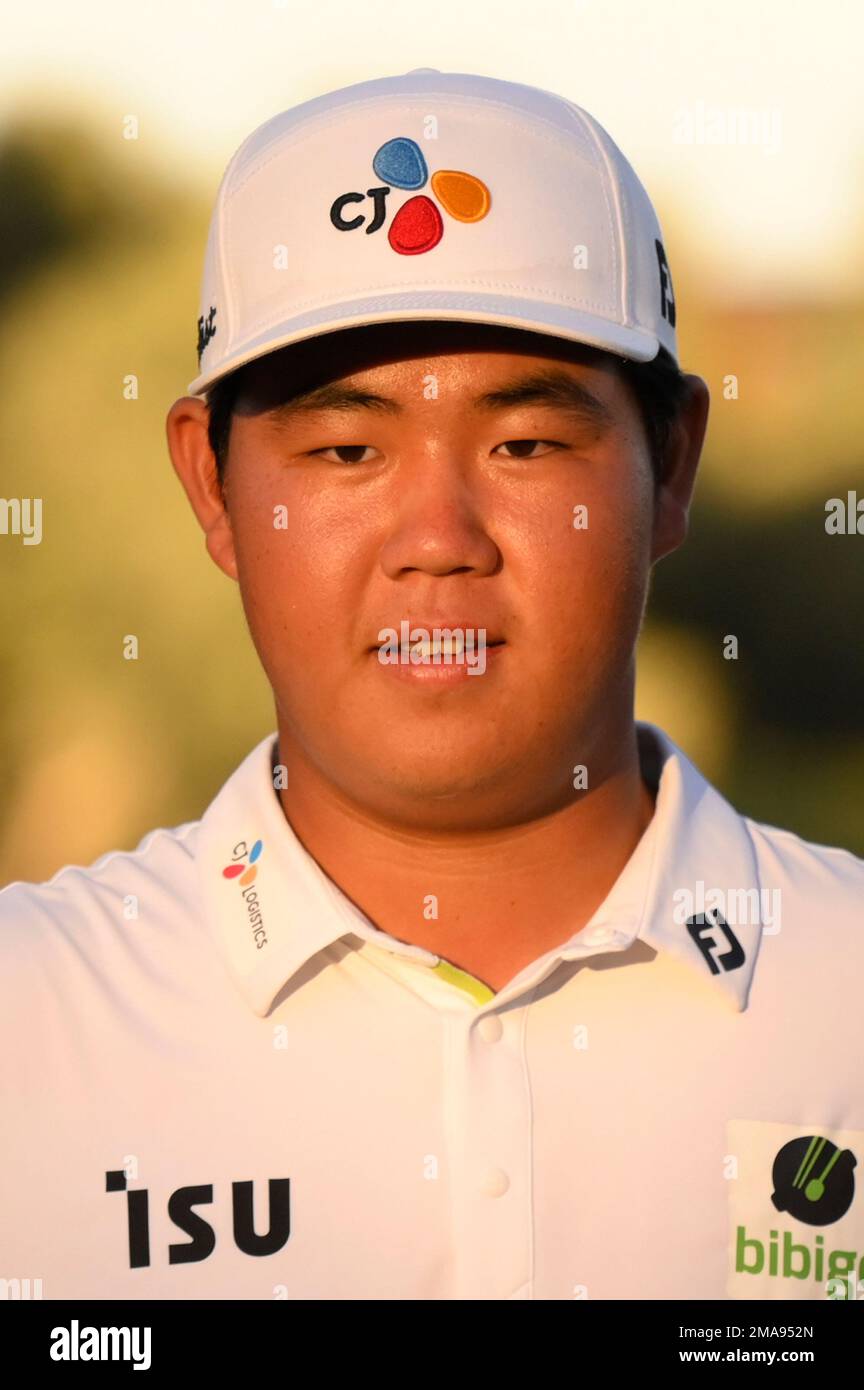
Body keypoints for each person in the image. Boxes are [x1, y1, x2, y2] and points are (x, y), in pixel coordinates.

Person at [2, 68, 862, 1303]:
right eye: (347, 450)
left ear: (670, 465)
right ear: (213, 485)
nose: (439, 535)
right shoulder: (27, 1024)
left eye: (526, 443)